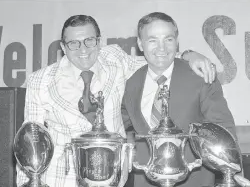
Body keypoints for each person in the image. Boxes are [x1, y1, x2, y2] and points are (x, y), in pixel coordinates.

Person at [16, 14, 216, 187]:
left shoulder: (115, 60)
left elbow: (157, 58)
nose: (83, 49)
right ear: (63, 47)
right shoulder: (40, 80)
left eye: (89, 41)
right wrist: (25, 182)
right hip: (60, 179)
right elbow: (30, 139)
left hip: (112, 178)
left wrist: (189, 55)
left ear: (99, 41)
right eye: (73, 43)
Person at [121, 12, 237, 187]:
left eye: (168, 39)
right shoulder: (131, 83)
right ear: (140, 44)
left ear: (176, 42)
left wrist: (234, 175)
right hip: (146, 182)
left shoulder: (201, 77)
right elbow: (117, 121)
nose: (162, 48)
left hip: (194, 181)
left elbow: (224, 131)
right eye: (152, 40)